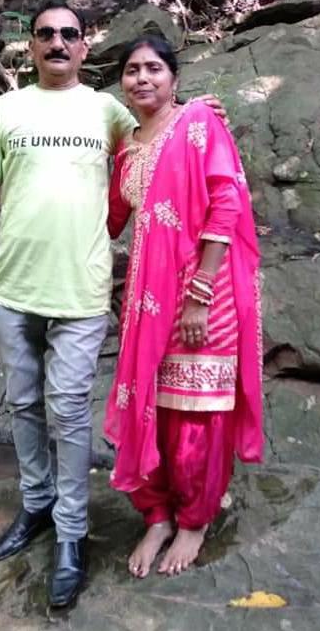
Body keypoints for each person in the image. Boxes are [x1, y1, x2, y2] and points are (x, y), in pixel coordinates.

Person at [0, 3, 226, 607]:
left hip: (82, 291)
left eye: (69, 34)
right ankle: (36, 503)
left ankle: (71, 533)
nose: (58, 42)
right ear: (31, 46)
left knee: (69, 412)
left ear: (84, 47)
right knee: (23, 405)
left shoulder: (106, 110)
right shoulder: (9, 109)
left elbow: (161, 132)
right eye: (46, 34)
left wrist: (197, 113)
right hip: (14, 288)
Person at [105, 34, 263, 579]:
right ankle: (158, 515)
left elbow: (227, 200)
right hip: (147, 303)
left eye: (154, 68)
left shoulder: (198, 121)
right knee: (152, 402)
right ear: (122, 83)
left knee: (198, 408)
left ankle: (194, 520)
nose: (142, 78)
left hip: (203, 290)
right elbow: (109, 220)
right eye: (132, 70)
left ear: (174, 78)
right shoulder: (125, 147)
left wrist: (199, 293)